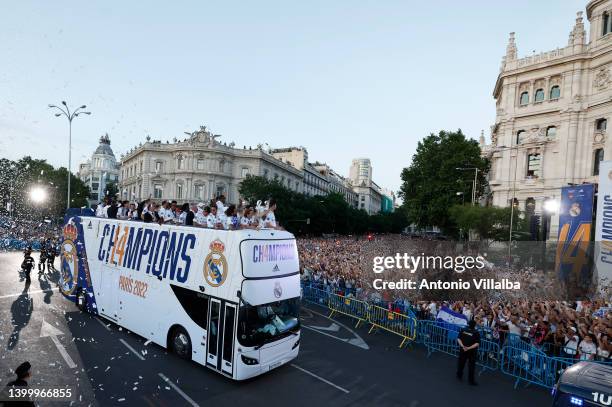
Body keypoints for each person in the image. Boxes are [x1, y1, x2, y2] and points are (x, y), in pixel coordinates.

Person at [456, 319, 480, 385]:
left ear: (468, 324)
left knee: (461, 363)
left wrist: (463, 346)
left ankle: (459, 375)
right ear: (475, 325)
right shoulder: (476, 332)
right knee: (471, 366)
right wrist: (468, 348)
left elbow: (458, 339)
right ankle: (471, 380)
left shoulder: (463, 330)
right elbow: (477, 343)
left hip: (463, 350)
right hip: (472, 352)